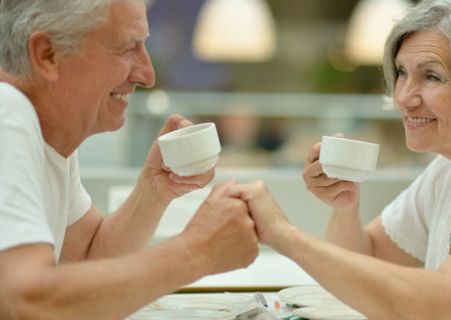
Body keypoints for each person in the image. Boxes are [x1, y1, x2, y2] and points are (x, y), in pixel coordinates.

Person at [227, 0, 451, 319]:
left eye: (431, 77)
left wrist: (282, 234)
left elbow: (442, 307)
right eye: (402, 73)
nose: (404, 97)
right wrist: (344, 206)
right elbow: (368, 265)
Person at [0, 0, 258, 319]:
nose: (147, 75)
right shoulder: (6, 110)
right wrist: (196, 253)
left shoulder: (48, 133)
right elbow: (24, 302)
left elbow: (88, 258)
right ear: (47, 54)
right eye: (128, 47)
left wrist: (154, 191)